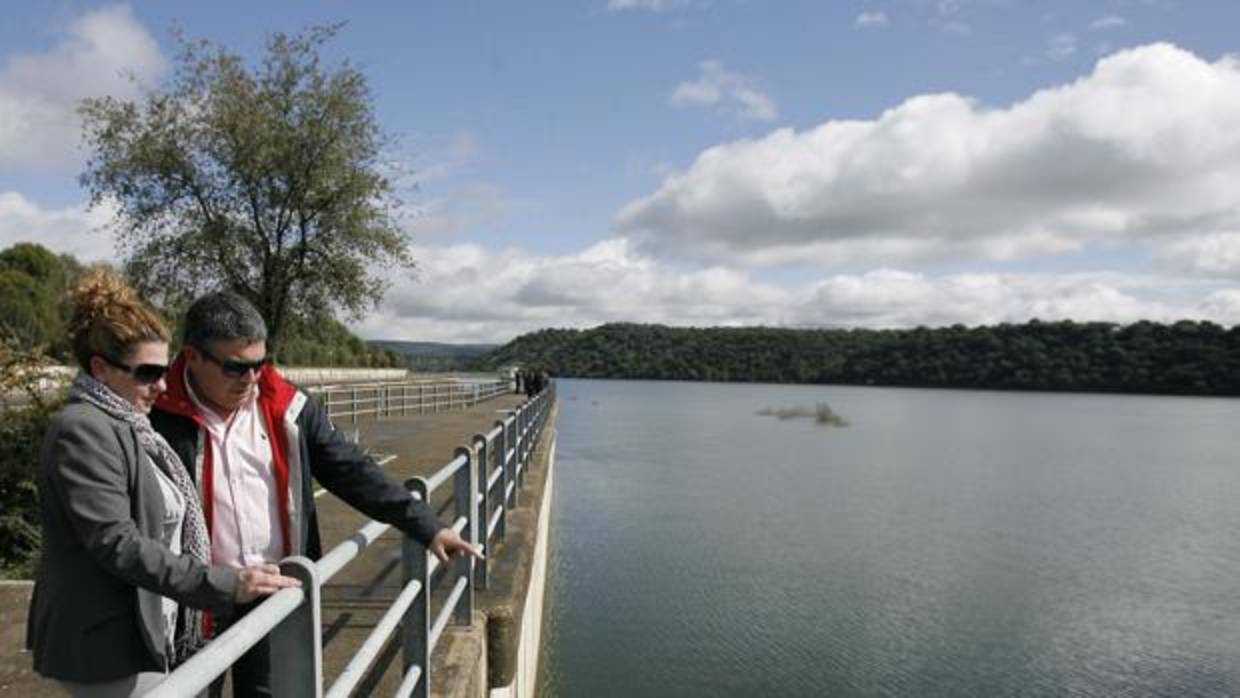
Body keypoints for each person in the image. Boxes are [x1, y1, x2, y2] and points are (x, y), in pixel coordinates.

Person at [149, 291, 481, 697]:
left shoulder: (287, 406)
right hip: (195, 598)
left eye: (260, 363)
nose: (251, 378)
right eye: (236, 367)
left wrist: (427, 525)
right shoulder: (154, 413)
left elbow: (351, 469)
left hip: (275, 592)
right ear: (193, 357)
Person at [25, 270, 299, 698]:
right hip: (105, 644)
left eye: (163, 370)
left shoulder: (133, 426)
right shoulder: (83, 429)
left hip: (144, 632)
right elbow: (117, 542)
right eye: (147, 373)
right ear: (100, 369)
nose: (162, 385)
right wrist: (226, 584)